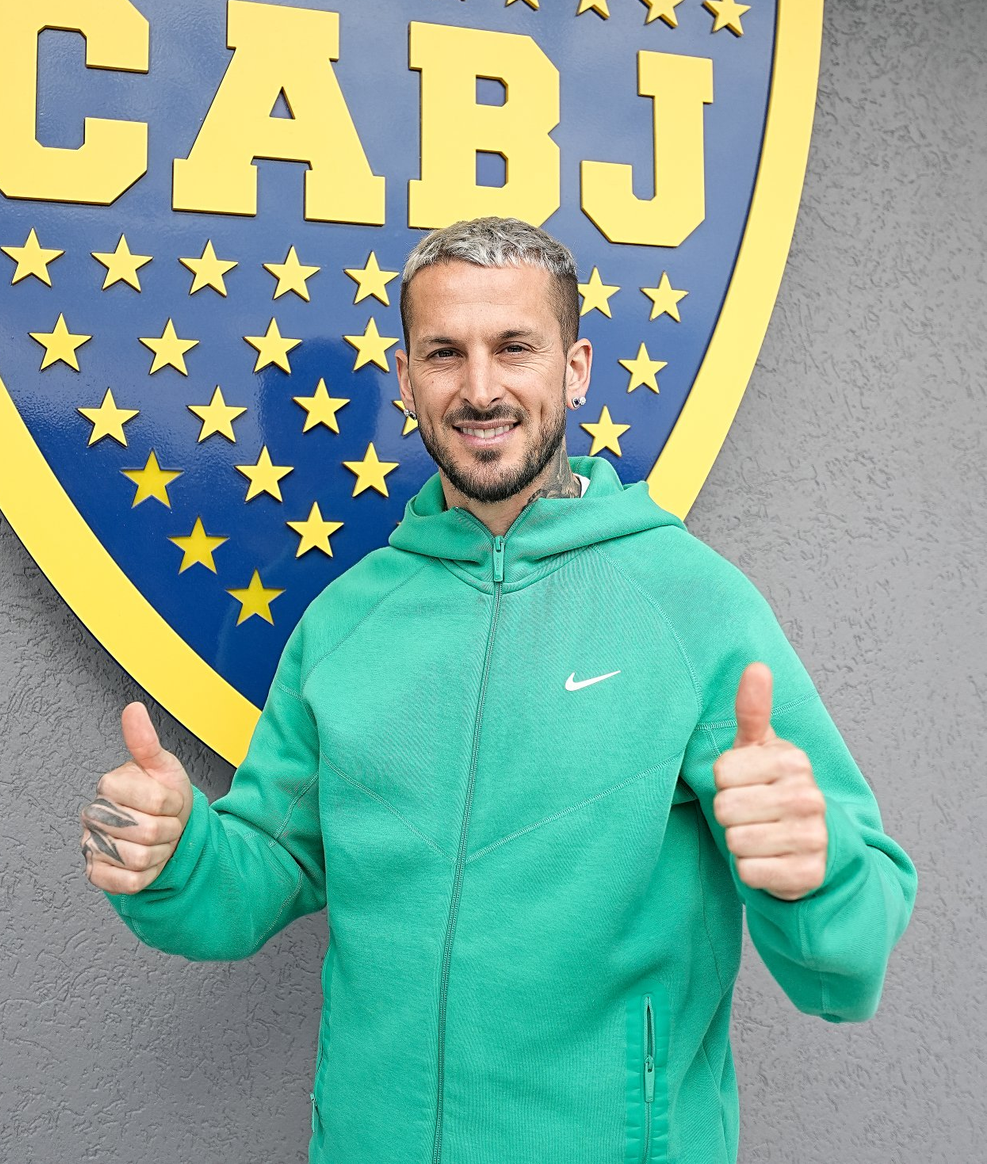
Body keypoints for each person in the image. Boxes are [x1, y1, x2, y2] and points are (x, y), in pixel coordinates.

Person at [80, 216, 917, 1164]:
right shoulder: (348, 621)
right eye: (446, 353)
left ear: (576, 368)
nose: (480, 389)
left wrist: (814, 867)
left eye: (514, 347)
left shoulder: (694, 604)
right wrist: (175, 852)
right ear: (406, 379)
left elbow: (848, 963)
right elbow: (264, 869)